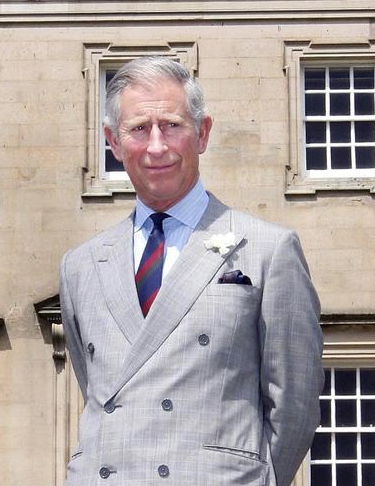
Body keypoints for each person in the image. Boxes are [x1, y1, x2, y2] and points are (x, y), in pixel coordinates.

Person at [59, 56, 323, 486]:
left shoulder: (268, 250)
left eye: (173, 125)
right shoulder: (80, 265)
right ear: (113, 141)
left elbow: (294, 404)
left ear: (202, 133)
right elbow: (97, 388)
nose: (157, 146)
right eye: (139, 129)